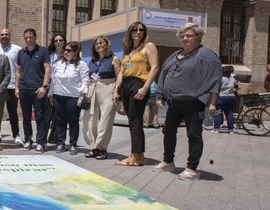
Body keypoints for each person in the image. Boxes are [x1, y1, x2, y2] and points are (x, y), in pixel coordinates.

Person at [154, 23, 222, 180]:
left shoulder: (206, 55)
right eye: (182, 36)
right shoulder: (175, 55)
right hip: (174, 101)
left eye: (189, 36)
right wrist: (160, 95)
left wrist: (211, 102)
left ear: (198, 37)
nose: (184, 39)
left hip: (194, 102)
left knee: (194, 134)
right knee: (168, 131)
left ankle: (192, 168)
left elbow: (214, 79)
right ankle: (168, 162)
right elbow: (164, 74)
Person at [113, 22, 158, 167]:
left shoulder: (148, 46)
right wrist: (116, 90)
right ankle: (140, 156)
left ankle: (135, 156)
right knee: (134, 120)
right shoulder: (128, 50)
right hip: (126, 84)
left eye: (141, 30)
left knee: (135, 121)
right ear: (130, 32)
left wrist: (145, 88)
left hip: (138, 84)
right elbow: (121, 72)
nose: (138, 32)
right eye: (134, 30)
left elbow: (154, 68)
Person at [82, 36, 121, 160]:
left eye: (101, 43)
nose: (99, 45)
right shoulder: (92, 61)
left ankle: (103, 148)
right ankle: (95, 147)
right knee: (90, 119)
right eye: (96, 44)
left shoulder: (114, 59)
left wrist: (116, 91)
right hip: (93, 89)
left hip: (108, 88)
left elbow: (119, 75)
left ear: (107, 44)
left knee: (105, 120)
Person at [48, 41, 89, 155]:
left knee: (73, 121)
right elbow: (53, 80)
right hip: (59, 95)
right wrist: (51, 94)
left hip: (73, 97)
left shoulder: (81, 65)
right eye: (65, 50)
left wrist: (81, 97)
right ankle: (61, 143)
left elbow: (85, 82)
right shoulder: (57, 64)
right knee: (60, 121)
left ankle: (73, 144)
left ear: (75, 53)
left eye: (69, 50)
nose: (65, 52)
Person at [14, 28, 51, 153]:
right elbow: (18, 71)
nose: (28, 40)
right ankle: (28, 140)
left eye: (31, 37)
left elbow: (47, 69)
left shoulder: (43, 51)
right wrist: (17, 87)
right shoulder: (21, 53)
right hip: (24, 89)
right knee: (26, 117)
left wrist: (44, 87)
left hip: (38, 90)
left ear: (35, 37)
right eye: (26, 38)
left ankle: (41, 143)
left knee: (40, 117)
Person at [0, 28, 23, 146]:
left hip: (12, 86)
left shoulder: (17, 50)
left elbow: (20, 69)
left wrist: (18, 86)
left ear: (10, 36)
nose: (4, 36)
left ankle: (16, 135)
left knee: (13, 112)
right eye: (2, 34)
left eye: (6, 34)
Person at [44, 33, 66, 145]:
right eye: (56, 40)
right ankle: (42, 137)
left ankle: (54, 137)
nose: (58, 42)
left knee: (59, 113)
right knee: (47, 112)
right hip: (47, 85)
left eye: (60, 40)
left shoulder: (67, 55)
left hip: (61, 86)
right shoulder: (48, 54)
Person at [214, 66, 238, 134]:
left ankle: (216, 128)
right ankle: (230, 129)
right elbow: (236, 86)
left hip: (221, 96)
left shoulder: (220, 79)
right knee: (229, 113)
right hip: (231, 96)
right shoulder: (232, 79)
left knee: (218, 112)